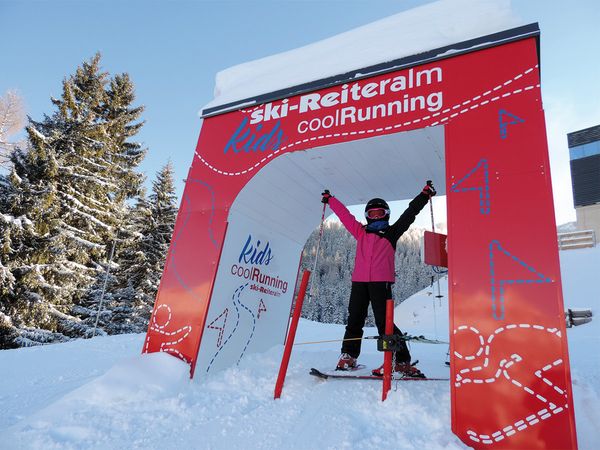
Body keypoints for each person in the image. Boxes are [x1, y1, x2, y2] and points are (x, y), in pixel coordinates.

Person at [321, 181, 436, 377]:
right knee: (354, 319)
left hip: (381, 283)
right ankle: (349, 355)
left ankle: (400, 361)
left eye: (379, 214)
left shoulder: (392, 233)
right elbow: (345, 216)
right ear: (367, 216)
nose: (375, 217)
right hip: (359, 283)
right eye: (372, 214)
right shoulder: (360, 232)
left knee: (385, 322)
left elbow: (410, 214)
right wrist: (331, 200)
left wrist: (424, 196)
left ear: (386, 215)